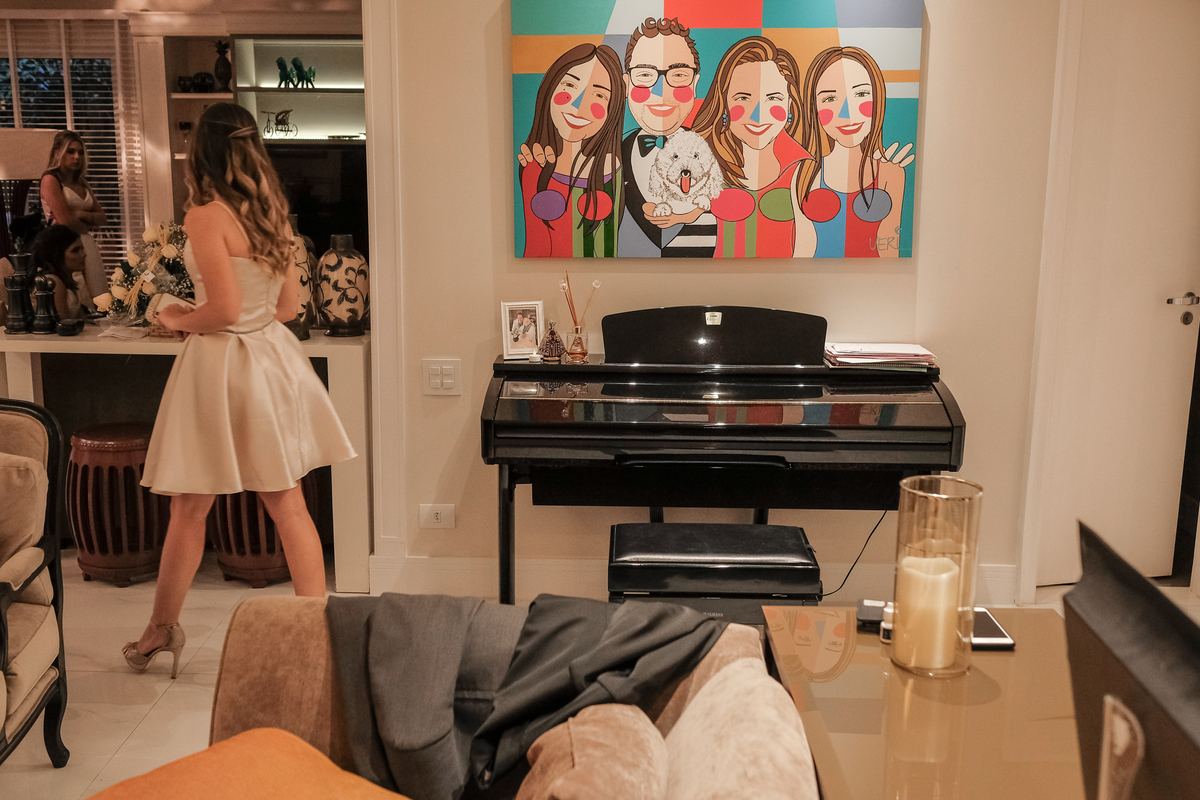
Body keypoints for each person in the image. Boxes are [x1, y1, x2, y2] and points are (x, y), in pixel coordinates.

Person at [123, 103, 356, 676]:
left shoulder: (206, 216)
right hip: (270, 361)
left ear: (201, 154)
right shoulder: (273, 215)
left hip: (221, 367)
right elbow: (288, 307)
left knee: (189, 509)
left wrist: (176, 317)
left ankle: (160, 630)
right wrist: (236, 318)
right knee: (289, 505)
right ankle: (316, 635)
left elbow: (224, 310)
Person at [691, 36, 812, 258]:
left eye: (773, 98)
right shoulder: (701, 161)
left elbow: (808, 242)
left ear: (790, 105)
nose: (758, 116)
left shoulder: (804, 167)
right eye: (743, 98)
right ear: (724, 103)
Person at [790, 47, 915, 258]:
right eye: (830, 99)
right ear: (814, 108)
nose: (847, 113)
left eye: (861, 94)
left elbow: (889, 248)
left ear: (878, 99)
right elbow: (804, 247)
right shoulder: (807, 172)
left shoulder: (890, 172)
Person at [617, 17, 716, 258]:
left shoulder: (709, 150)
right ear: (626, 84)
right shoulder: (614, 153)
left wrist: (687, 215)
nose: (661, 91)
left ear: (695, 84)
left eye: (679, 75)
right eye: (645, 75)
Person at [518, 43, 624, 257]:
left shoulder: (612, 168)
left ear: (611, 109)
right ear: (550, 89)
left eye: (599, 95)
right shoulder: (535, 165)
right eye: (569, 85)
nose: (578, 106)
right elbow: (535, 247)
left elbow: (608, 248)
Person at [40, 131, 108, 307]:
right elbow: (66, 221)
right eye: (70, 151)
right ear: (57, 153)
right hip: (66, 246)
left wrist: (81, 214)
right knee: (78, 293)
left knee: (98, 292)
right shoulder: (50, 179)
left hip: (87, 242)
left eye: (80, 152)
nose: (77, 157)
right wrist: (85, 219)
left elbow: (102, 218)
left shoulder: (81, 181)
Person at [30, 224, 90, 320]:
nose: (83, 254)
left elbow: (83, 321)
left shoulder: (67, 279)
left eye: (82, 248)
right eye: (75, 251)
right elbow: (64, 324)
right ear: (57, 255)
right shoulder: (53, 282)